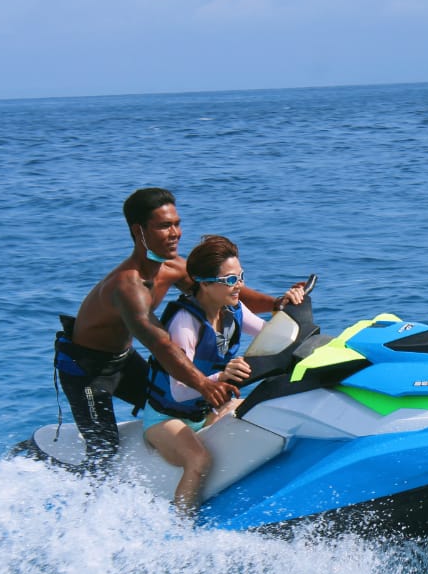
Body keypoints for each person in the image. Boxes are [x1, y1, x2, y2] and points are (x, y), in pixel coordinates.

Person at [53, 188, 303, 474]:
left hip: (122, 359)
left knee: (173, 406)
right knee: (104, 448)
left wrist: (276, 303)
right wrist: (205, 384)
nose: (175, 233)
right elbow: (162, 345)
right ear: (139, 231)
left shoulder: (173, 267)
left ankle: (177, 465)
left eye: (176, 224)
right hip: (86, 369)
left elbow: (224, 288)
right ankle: (86, 493)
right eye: (163, 226)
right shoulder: (128, 287)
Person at [141, 234, 304, 515]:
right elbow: (180, 390)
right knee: (199, 460)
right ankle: (179, 527)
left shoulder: (233, 309)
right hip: (167, 418)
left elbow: (272, 336)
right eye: (230, 280)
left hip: (207, 410)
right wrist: (222, 377)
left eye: (240, 276)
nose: (239, 285)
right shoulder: (185, 324)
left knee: (265, 414)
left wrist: (287, 307)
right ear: (204, 284)